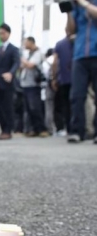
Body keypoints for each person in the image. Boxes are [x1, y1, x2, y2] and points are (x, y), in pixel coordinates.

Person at [65, 0, 97, 143]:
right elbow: (70, 31)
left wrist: (83, 3)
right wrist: (68, 12)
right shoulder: (76, 7)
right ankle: (77, 131)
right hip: (79, 55)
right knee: (77, 95)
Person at [0, 23, 21, 140]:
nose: (1, 35)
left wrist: (11, 73)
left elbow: (16, 63)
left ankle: (8, 130)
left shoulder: (14, 49)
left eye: (3, 33)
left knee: (8, 107)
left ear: (8, 33)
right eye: (0, 33)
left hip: (8, 83)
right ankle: (3, 128)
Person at [19, 37, 48, 137]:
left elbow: (31, 65)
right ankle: (33, 129)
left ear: (31, 42)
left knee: (35, 107)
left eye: (26, 43)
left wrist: (21, 59)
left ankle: (41, 129)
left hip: (34, 84)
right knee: (28, 109)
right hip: (26, 84)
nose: (24, 45)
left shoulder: (38, 53)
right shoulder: (29, 54)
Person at [52, 29, 74, 136]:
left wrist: (54, 78)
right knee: (77, 103)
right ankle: (79, 128)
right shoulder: (80, 42)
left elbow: (55, 62)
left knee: (65, 105)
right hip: (77, 79)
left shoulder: (59, 44)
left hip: (63, 79)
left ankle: (70, 129)